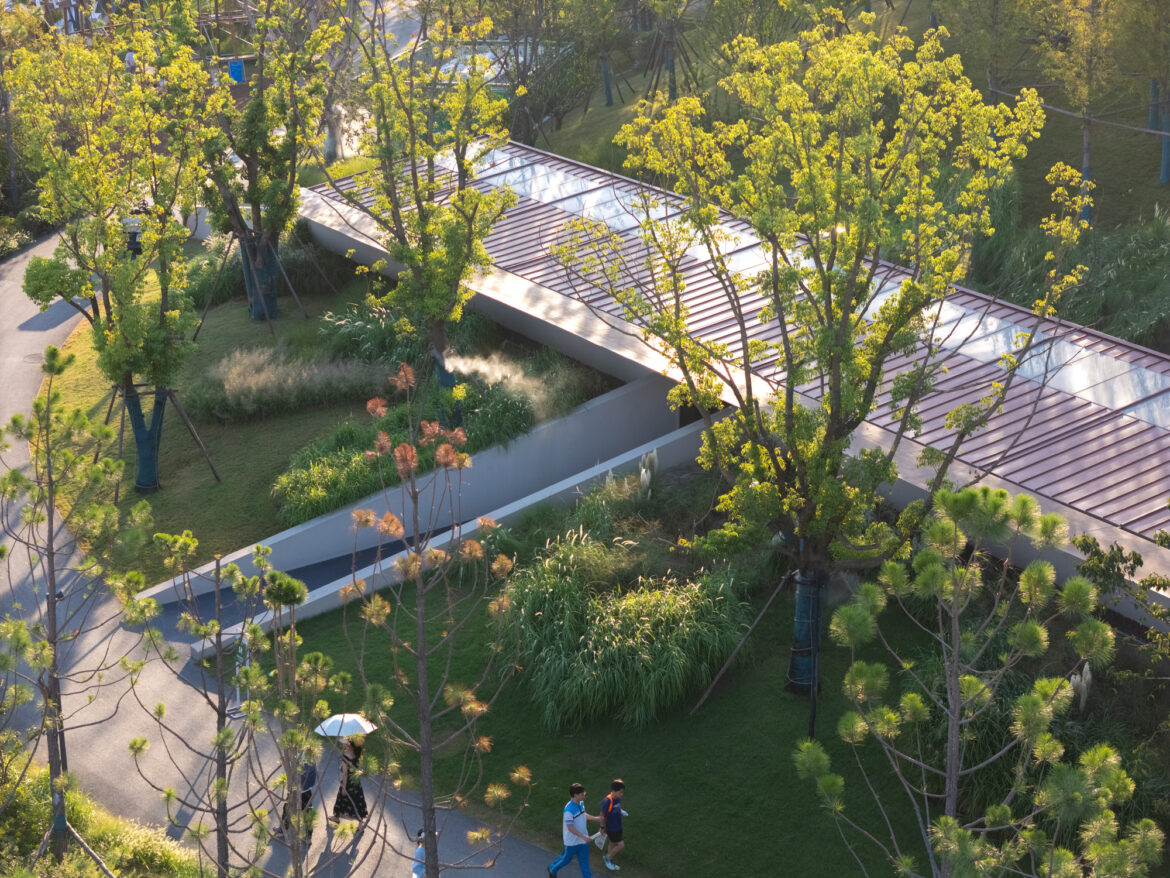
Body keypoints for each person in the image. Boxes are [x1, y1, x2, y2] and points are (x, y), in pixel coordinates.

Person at [549, 782, 599, 878]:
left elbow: (583, 815)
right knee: (566, 860)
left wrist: (596, 818)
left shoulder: (581, 803)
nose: (584, 795)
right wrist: (584, 837)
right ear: (575, 795)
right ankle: (552, 870)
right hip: (572, 842)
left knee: (585, 864)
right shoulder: (568, 810)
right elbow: (570, 828)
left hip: (583, 840)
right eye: (581, 793)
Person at [331, 737, 368, 822]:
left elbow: (345, 774)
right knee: (358, 801)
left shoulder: (345, 756)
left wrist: (344, 787)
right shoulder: (358, 753)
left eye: (344, 743)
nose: (343, 744)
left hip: (347, 783)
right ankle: (360, 823)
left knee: (341, 798)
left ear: (349, 744)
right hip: (356, 781)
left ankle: (336, 817)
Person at [600, 780, 627, 872]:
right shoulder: (607, 801)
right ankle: (607, 858)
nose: (621, 794)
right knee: (620, 845)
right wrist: (602, 827)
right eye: (620, 792)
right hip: (612, 828)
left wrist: (621, 811)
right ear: (614, 791)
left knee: (613, 843)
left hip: (618, 825)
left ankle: (609, 860)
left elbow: (618, 807)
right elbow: (602, 816)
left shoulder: (617, 798)